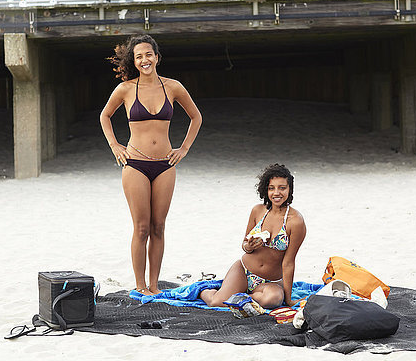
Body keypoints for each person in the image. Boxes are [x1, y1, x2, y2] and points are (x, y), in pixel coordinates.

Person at [100, 35, 202, 296]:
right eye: (139, 56)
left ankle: (154, 285)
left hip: (166, 164)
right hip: (134, 163)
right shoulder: (125, 89)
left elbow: (196, 116)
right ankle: (139, 285)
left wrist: (184, 148)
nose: (144, 60)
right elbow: (105, 116)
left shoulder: (173, 87)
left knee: (159, 226)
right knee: (141, 227)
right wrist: (115, 145)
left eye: (148, 54)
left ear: (157, 57)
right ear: (133, 62)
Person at [200, 164, 306, 308]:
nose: (277, 193)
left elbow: (288, 263)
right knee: (215, 302)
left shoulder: (295, 221)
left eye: (282, 188)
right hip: (243, 270)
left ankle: (236, 297)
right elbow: (245, 245)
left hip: (271, 281)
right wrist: (248, 246)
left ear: (289, 189)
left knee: (273, 300)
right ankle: (205, 290)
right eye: (271, 188)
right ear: (265, 189)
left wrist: (288, 299)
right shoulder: (258, 211)